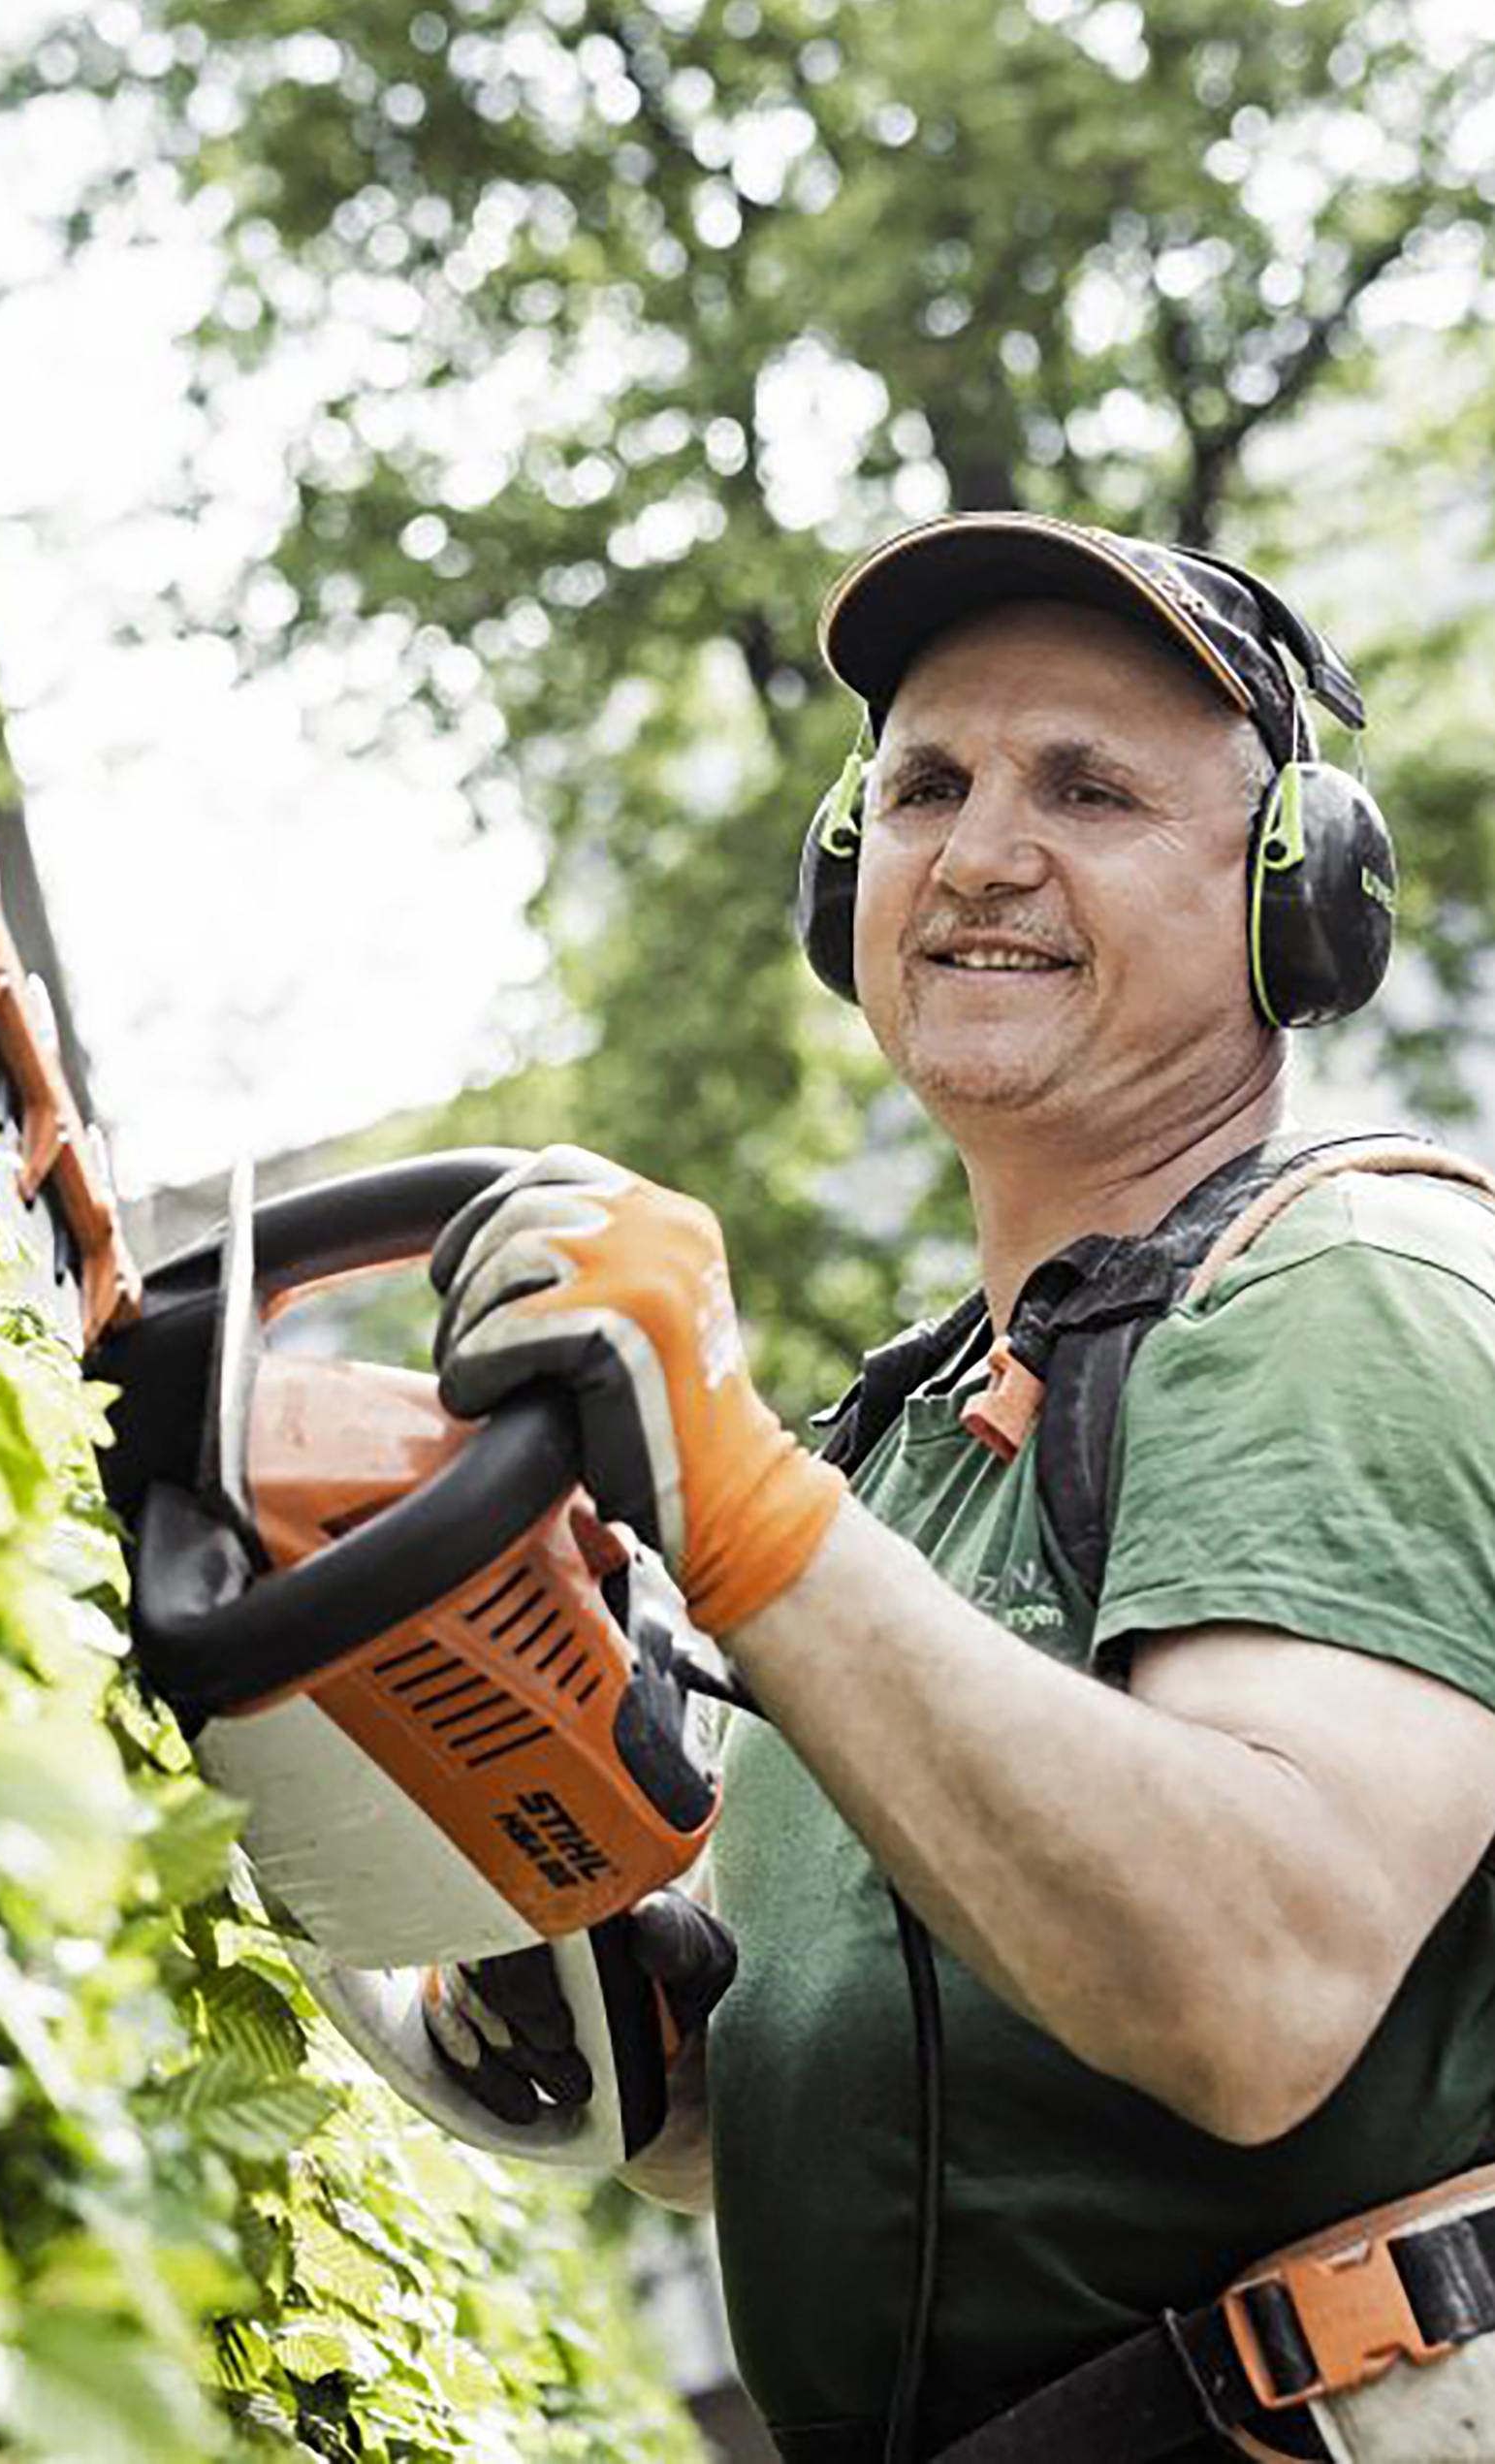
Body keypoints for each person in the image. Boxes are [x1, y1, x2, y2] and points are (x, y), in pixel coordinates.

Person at [421, 513, 1495, 2463]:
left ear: (1291, 898)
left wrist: (739, 1512)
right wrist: (566, 1914)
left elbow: (1250, 1983)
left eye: (1086, 788)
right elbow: (888, 2103)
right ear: (849, 870)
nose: (981, 850)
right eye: (923, 784)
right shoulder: (916, 1433)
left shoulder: (1334, 1297)